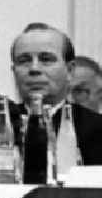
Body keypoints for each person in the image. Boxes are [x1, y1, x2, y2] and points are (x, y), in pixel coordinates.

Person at [10, 23, 102, 164]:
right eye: (24, 60)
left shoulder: (97, 128)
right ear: (14, 71)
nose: (34, 68)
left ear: (70, 70)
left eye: (46, 59)